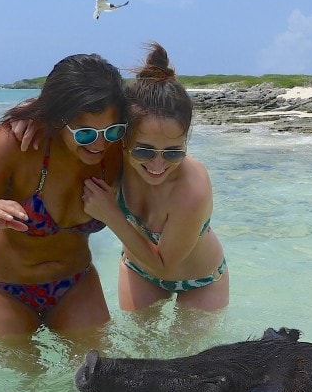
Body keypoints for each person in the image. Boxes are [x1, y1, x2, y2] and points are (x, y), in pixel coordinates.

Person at [0, 53, 127, 338]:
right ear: (57, 118)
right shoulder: (17, 143)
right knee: (23, 383)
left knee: (100, 376)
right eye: (85, 133)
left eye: (111, 130)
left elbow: (163, 128)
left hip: (76, 283)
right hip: (0, 289)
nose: (100, 143)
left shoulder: (118, 144)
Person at [69, 42, 229, 312]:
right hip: (138, 270)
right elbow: (67, 128)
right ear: (123, 139)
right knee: (135, 352)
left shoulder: (192, 189)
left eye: (173, 153)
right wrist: (28, 120)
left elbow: (165, 267)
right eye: (144, 151)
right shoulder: (111, 159)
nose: (158, 164)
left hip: (201, 281)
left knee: (190, 356)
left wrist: (110, 214)